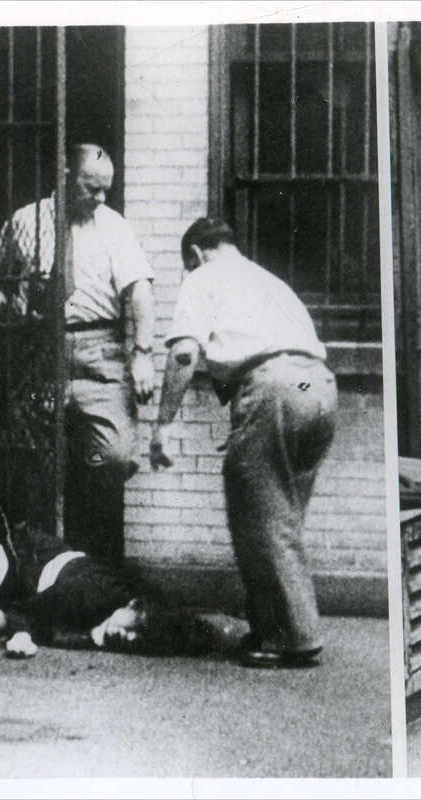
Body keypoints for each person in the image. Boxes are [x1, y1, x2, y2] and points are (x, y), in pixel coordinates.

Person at [150, 217, 338, 669]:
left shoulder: (203, 277)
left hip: (273, 385)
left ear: (195, 254)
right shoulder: (267, 279)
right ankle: (273, 627)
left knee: (259, 517)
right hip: (318, 388)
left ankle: (294, 636)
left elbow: (183, 353)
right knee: (282, 515)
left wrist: (163, 424)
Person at [0, 144, 155, 564]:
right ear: (65, 175)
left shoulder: (113, 226)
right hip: (43, 350)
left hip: (101, 352)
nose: (99, 199)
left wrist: (143, 352)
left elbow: (140, 290)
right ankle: (45, 568)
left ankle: (93, 562)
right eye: (90, 188)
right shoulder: (26, 220)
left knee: (112, 456)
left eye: (105, 191)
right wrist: (6, 302)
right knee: (37, 463)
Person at [0, 527, 247, 656]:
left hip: (36, 583)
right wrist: (22, 634)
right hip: (23, 563)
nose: (128, 637)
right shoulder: (89, 595)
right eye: (134, 626)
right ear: (132, 605)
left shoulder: (131, 612)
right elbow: (24, 611)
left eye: (139, 640)